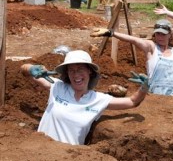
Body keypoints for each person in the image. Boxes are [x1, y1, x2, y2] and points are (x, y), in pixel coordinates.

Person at [20, 50, 148, 145]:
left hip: (68, 160)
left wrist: (144, 88)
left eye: (80, 69)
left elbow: (132, 101)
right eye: (72, 70)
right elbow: (24, 69)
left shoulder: (98, 99)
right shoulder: (57, 86)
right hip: (39, 151)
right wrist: (31, 68)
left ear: (89, 71)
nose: (76, 74)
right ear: (67, 73)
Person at [91, 19, 173, 99]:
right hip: (157, 95)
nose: (160, 37)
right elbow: (134, 40)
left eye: (163, 34)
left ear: (170, 35)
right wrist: (111, 33)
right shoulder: (151, 48)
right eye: (157, 34)